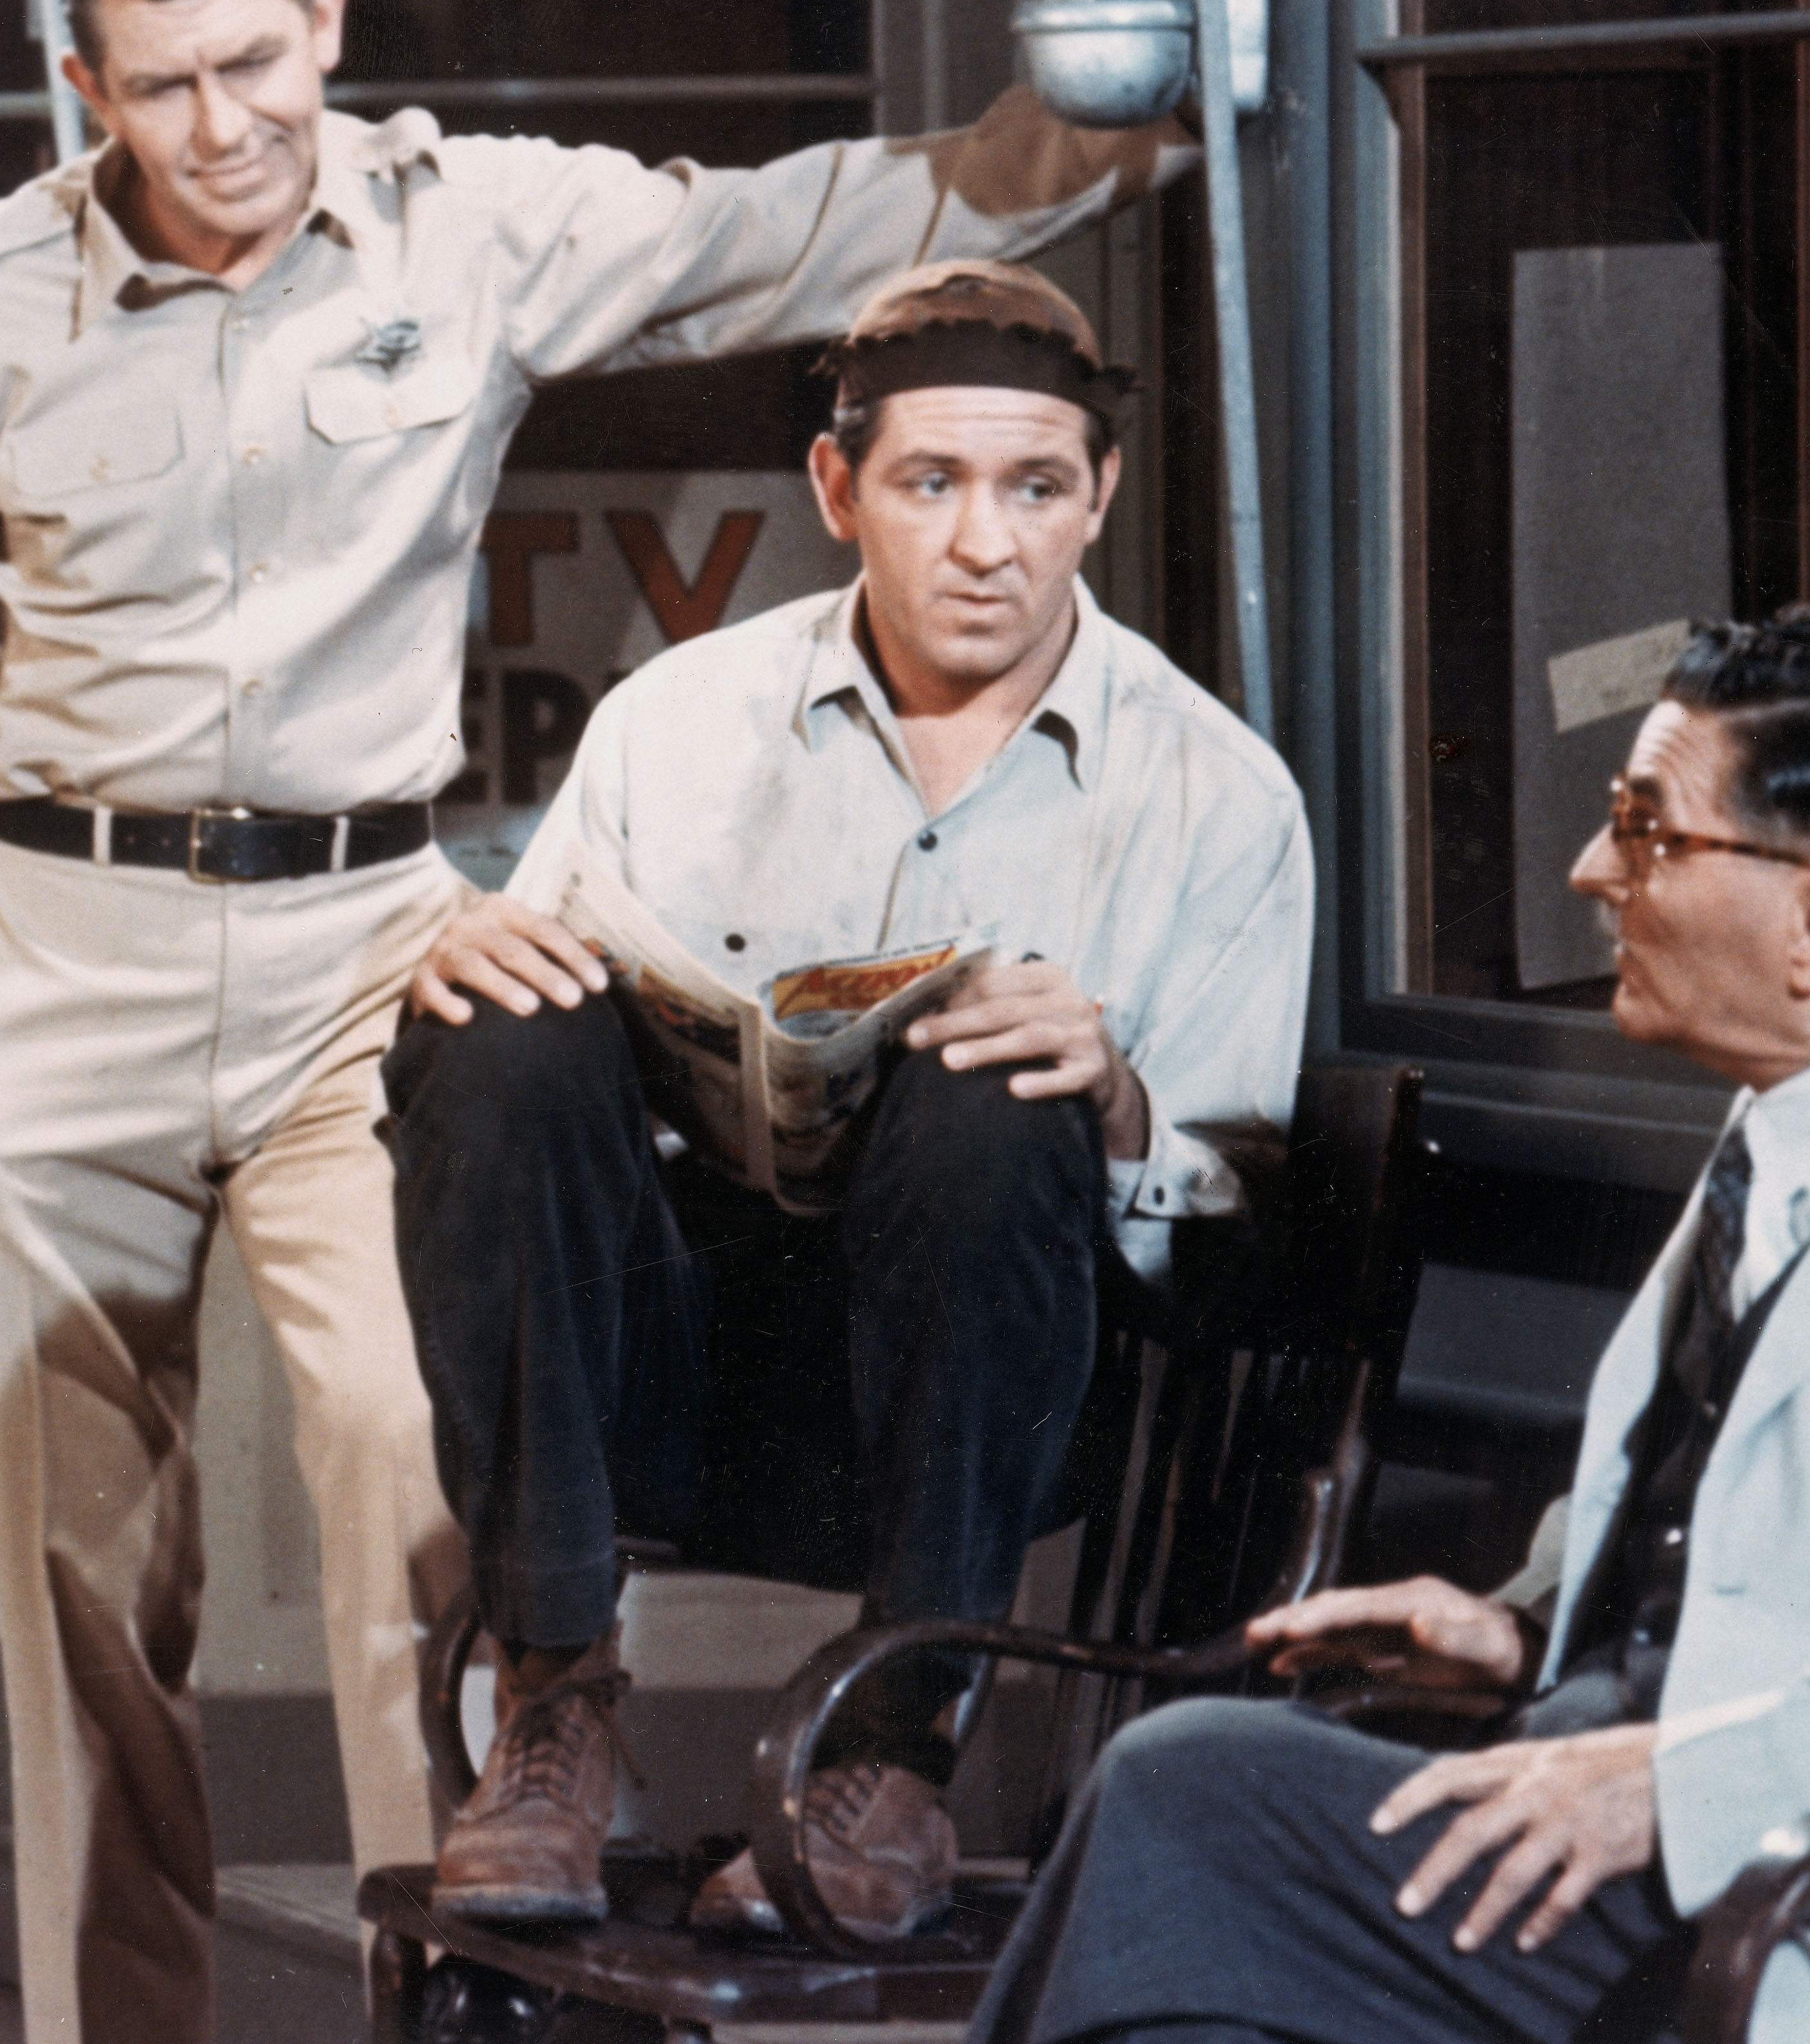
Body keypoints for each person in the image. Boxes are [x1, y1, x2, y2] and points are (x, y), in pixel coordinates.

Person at [0, 0, 1190, 2044]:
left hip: (362, 939)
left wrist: (1060, 153)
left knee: (421, 1509)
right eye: (162, 87)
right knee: (80, 1599)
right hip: (53, 953)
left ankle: (451, 2020)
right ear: (88, 84)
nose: (225, 125)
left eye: (256, 61)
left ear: (326, 16)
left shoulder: (479, 226)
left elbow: (780, 231)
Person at [958, 607, 1810, 2044]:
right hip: (1616, 1846)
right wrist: (1520, 1641)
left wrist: (1672, 1784)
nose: (1593, 874)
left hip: (1808, 1916)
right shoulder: (1792, 1138)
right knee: (1189, 2007)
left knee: (1191, 1790)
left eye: (1648, 835)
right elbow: (1744, 1563)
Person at [383, 258, 1315, 1944]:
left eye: (1035, 487)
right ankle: (556, 1699)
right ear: (838, 488)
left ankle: (895, 1754)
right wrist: (487, 967)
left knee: (997, 1085)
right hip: (683, 1396)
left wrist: (1112, 1104)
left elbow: (1241, 1255)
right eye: (930, 485)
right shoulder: (679, 723)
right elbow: (551, 1121)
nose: (984, 543)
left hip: (979, 1418)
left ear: (1098, 492)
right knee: (498, 1026)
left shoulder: (1215, 795)